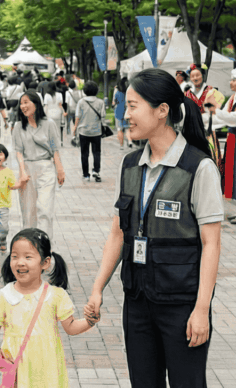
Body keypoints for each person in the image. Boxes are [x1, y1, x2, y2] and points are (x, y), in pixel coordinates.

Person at [84, 68, 223, 387]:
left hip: (182, 305)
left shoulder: (198, 168)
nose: (126, 113)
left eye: (133, 106)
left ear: (162, 111)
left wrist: (202, 309)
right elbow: (119, 232)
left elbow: (212, 244)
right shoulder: (130, 165)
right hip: (138, 301)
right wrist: (97, 289)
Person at [0, 229, 95, 387]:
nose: (20, 262)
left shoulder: (55, 296)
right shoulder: (3, 297)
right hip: (15, 372)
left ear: (45, 262)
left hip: (47, 372)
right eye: (14, 256)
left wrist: (89, 321)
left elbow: (70, 327)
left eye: (28, 257)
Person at [13, 91, 65, 241]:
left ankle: (44, 245)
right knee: (28, 212)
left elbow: (55, 148)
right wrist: (22, 172)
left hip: (46, 168)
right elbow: (18, 152)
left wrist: (59, 169)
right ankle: (29, 245)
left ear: (36, 103)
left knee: (45, 209)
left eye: (26, 102)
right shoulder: (18, 126)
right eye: (21, 103)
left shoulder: (49, 124)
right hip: (27, 170)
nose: (23, 106)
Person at [205, 69, 236, 212]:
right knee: (231, 172)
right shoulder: (232, 98)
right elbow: (223, 118)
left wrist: (215, 110)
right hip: (232, 138)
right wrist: (205, 123)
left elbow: (232, 118)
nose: (231, 82)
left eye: (234, 80)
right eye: (232, 79)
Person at [73, 81, 106, 182]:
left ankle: (86, 175)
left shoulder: (81, 102)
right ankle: (96, 171)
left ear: (85, 91)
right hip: (96, 131)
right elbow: (103, 116)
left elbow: (77, 117)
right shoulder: (100, 102)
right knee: (96, 152)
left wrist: (74, 129)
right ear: (96, 91)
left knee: (84, 153)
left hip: (84, 132)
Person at [113, 77, 133, 150]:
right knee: (127, 128)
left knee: (120, 129)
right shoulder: (129, 93)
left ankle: (121, 146)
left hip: (118, 112)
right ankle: (130, 141)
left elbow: (114, 102)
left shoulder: (118, 93)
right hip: (127, 111)